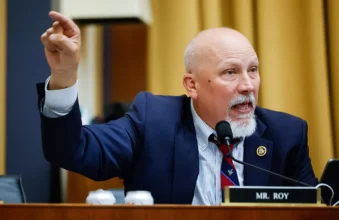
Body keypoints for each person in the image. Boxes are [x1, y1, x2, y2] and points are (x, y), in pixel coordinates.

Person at [38, 11, 318, 205]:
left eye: (253, 70)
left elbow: (317, 212)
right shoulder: (153, 121)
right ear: (191, 85)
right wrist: (64, 77)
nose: (248, 85)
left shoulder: (286, 135)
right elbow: (73, 150)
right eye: (230, 73)